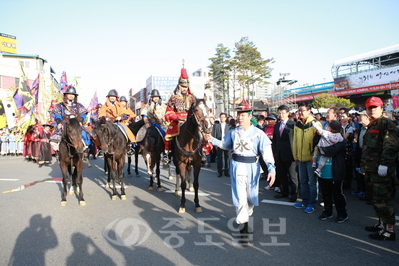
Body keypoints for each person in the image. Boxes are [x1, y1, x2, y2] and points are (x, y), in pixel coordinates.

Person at [205, 100, 276, 243]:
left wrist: (271, 169)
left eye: (243, 115)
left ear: (250, 116)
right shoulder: (233, 132)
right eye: (239, 115)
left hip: (253, 169)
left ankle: (244, 217)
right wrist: (213, 140)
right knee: (240, 198)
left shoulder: (258, 134)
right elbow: (225, 145)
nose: (240, 118)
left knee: (250, 199)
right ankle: (244, 230)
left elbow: (267, 152)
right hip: (237, 167)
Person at [361, 96, 399, 241]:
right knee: (373, 197)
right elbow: (367, 149)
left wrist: (385, 163)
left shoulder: (387, 124)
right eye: (370, 108)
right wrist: (364, 166)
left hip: (381, 169)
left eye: (375, 107)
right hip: (371, 169)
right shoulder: (372, 124)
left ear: (382, 108)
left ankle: (389, 230)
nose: (372, 110)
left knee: (383, 199)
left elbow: (391, 146)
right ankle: (381, 223)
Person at [164, 66, 202, 165]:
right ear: (179, 86)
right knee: (168, 135)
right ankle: (168, 154)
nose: (184, 88)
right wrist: (177, 118)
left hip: (191, 120)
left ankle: (202, 153)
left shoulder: (193, 98)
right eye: (182, 86)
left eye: (186, 87)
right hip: (178, 121)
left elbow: (198, 109)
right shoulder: (173, 98)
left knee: (203, 134)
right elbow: (169, 112)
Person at [293, 102, 321, 214]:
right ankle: (304, 201)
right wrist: (295, 156)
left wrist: (314, 157)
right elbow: (295, 141)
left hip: (311, 159)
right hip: (300, 158)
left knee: (312, 182)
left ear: (309, 111)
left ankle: (312, 203)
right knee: (303, 181)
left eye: (303, 110)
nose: (300, 112)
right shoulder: (297, 124)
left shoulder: (315, 124)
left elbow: (318, 143)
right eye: (299, 110)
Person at [317, 133, 348, 223]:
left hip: (335, 173)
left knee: (337, 195)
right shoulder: (322, 140)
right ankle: (327, 212)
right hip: (323, 172)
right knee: (325, 194)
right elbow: (317, 146)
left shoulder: (341, 141)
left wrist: (322, 149)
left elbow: (332, 150)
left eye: (329, 129)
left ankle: (342, 214)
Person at [49, 86, 88, 153]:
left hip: (76, 123)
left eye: (72, 94)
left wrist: (81, 120)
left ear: (75, 96)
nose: (71, 96)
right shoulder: (60, 105)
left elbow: (83, 114)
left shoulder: (79, 105)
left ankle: (84, 148)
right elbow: (57, 114)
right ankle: (59, 151)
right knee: (56, 135)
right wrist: (59, 122)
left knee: (84, 133)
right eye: (69, 94)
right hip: (65, 122)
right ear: (66, 95)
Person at [272, 105, 298, 202]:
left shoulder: (293, 124)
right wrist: (274, 152)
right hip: (279, 154)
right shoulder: (277, 125)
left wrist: (295, 154)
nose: (281, 115)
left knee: (292, 176)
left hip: (290, 154)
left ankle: (294, 194)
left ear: (288, 113)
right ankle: (284, 192)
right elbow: (275, 140)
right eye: (279, 113)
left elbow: (295, 140)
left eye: (283, 113)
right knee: (281, 175)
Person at [211, 113, 231, 177]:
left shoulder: (229, 126)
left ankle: (226, 171)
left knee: (227, 158)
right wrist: (215, 145)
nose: (222, 118)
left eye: (223, 117)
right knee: (219, 158)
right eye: (221, 117)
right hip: (219, 143)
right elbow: (214, 135)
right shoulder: (216, 126)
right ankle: (220, 171)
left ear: (226, 118)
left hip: (227, 144)